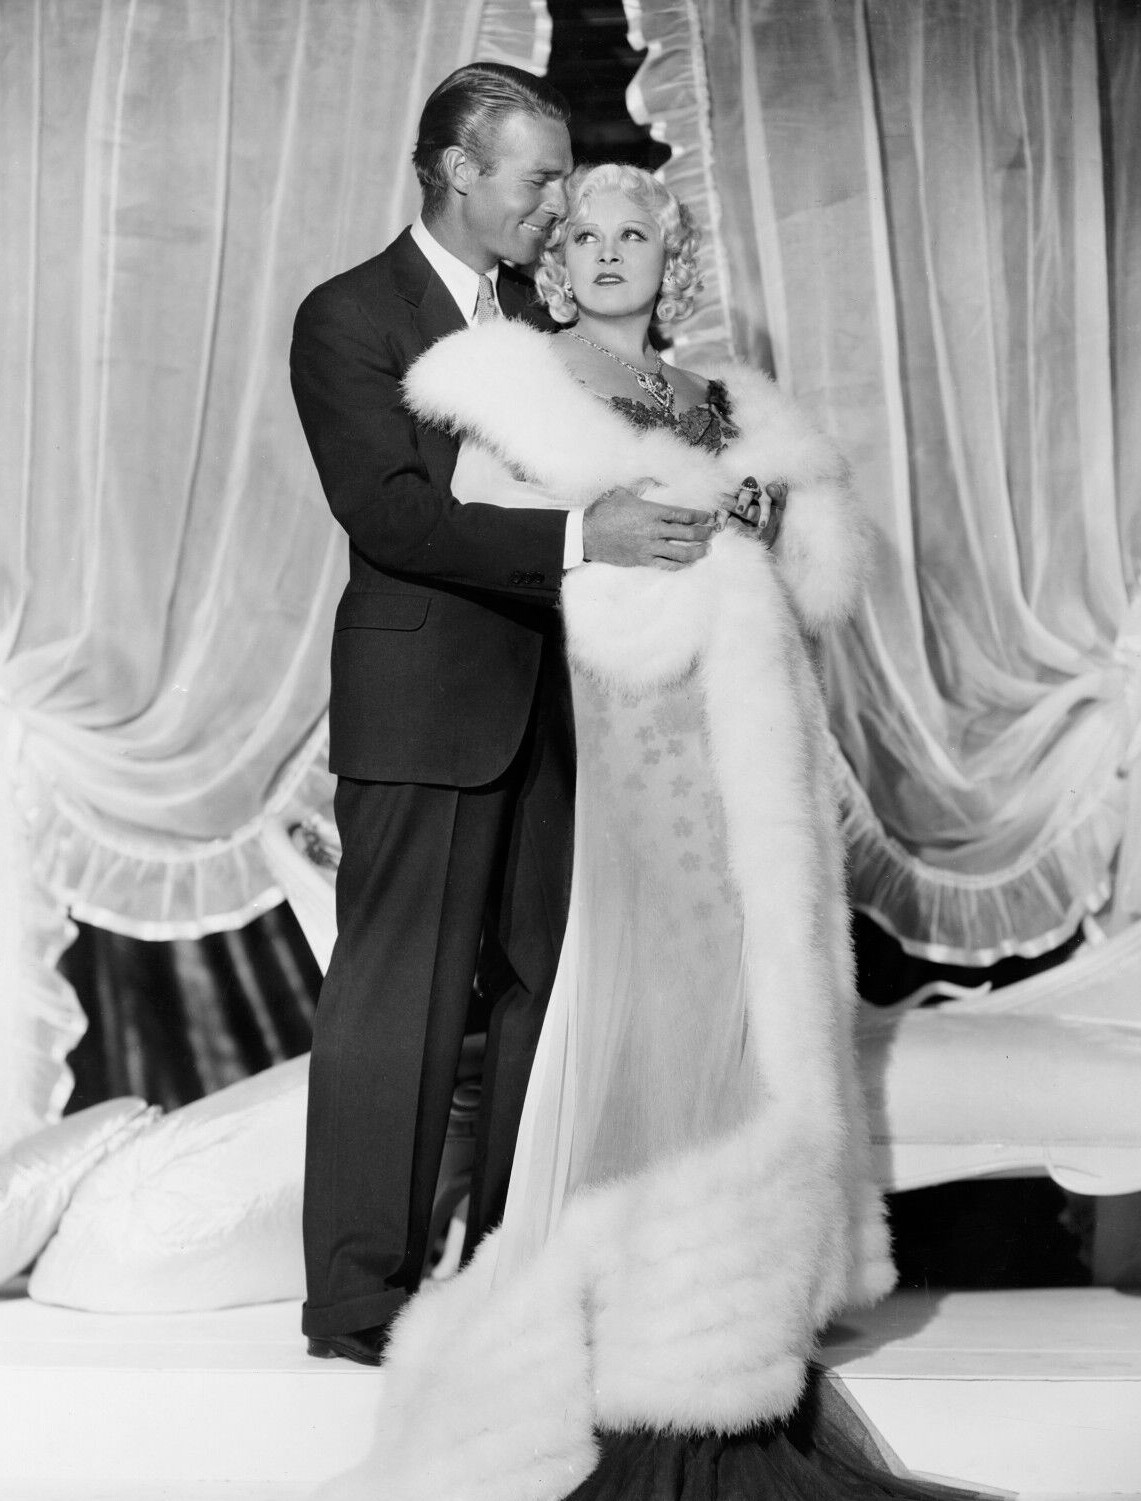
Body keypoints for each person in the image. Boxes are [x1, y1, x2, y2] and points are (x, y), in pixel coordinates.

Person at [317, 165, 985, 1500]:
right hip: (635, 723)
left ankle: (747, 1274)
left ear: (668, 260)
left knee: (758, 983)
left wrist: (764, 515)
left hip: (760, 734)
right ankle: (647, 1293)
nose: (611, 253)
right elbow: (493, 539)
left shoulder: (721, 395)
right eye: (585, 235)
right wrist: (637, 538)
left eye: (636, 235)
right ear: (556, 261)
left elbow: (817, 571)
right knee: (668, 983)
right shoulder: (527, 387)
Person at [289, 71, 715, 1365]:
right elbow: (393, 515)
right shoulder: (350, 315)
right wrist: (588, 536)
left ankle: (509, 1266)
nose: (556, 206)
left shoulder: (543, 319)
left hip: (561, 703)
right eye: (538, 180)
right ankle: (356, 1302)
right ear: (455, 171)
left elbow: (642, 456)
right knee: (400, 998)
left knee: (552, 986)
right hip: (424, 708)